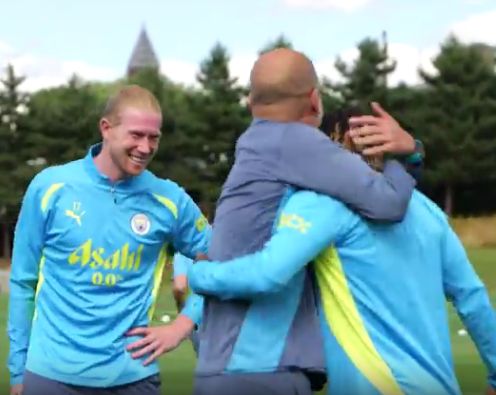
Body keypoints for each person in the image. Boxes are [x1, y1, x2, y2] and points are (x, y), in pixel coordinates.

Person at [188, 108, 496, 395]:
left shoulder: (323, 204)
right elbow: (473, 298)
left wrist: (201, 273)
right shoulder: (429, 211)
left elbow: (266, 273)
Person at [192, 47, 424, 395]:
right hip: (262, 369)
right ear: (314, 101)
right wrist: (410, 152)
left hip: (224, 364)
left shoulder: (255, 143)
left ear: (250, 101)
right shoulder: (294, 142)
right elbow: (388, 203)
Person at [7, 85, 209, 395]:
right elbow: (22, 281)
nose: (145, 147)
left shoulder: (169, 200)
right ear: (106, 128)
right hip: (50, 377)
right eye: (136, 135)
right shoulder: (51, 187)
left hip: (133, 378)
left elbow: (221, 262)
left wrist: (182, 326)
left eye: (154, 137)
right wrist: (19, 372)